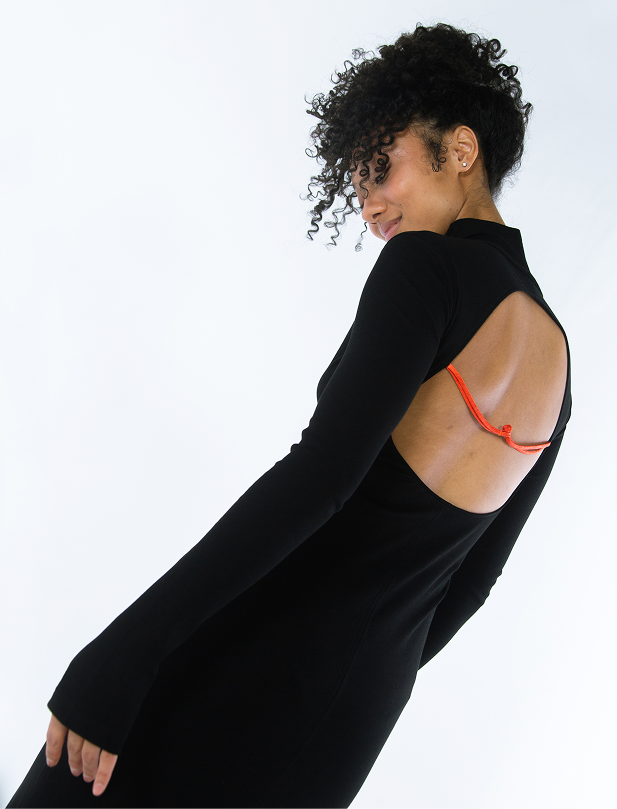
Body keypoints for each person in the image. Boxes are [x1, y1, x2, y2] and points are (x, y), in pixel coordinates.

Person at [7, 22, 571, 809]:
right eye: (359, 189)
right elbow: (472, 584)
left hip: (239, 660)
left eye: (382, 169)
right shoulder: (559, 363)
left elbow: (320, 477)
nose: (371, 207)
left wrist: (128, 649)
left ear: (460, 149)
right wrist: (354, 673)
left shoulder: (426, 269)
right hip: (348, 725)